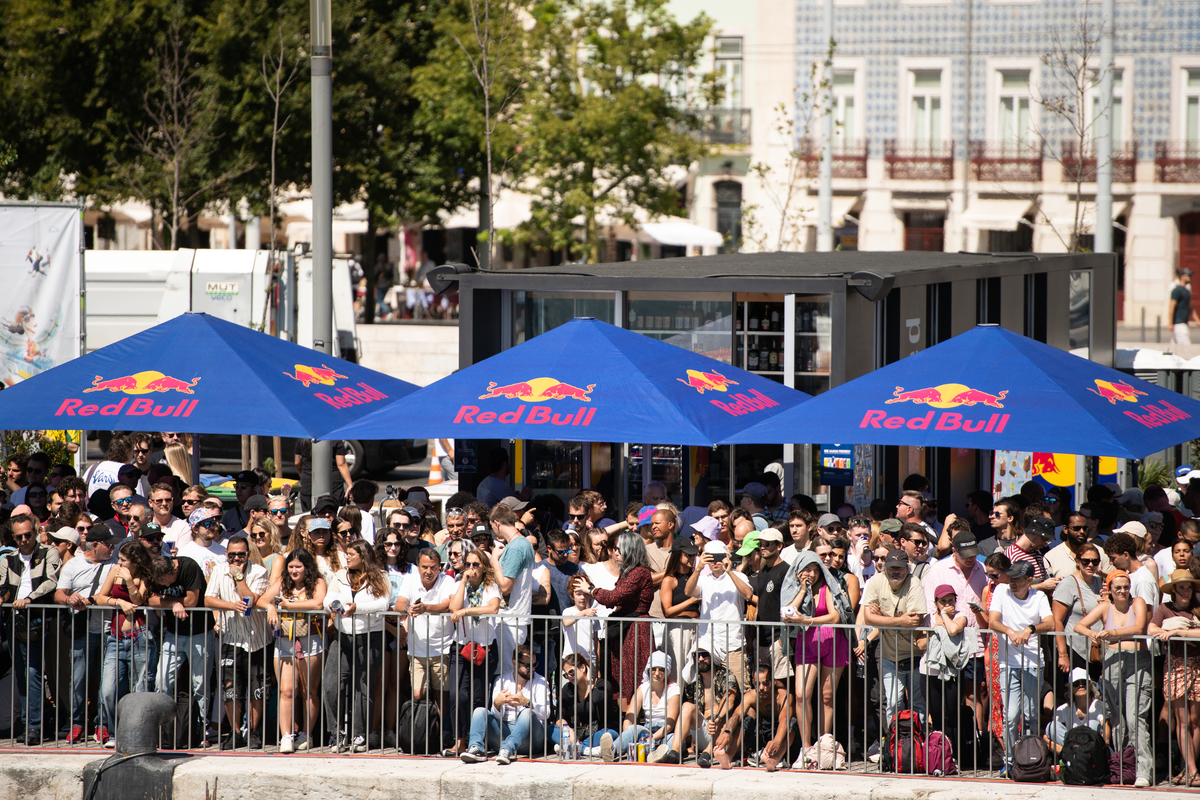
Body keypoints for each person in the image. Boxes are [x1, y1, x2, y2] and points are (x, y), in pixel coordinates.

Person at [1073, 569, 1151, 786]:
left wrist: (1112, 633)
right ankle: (1122, 766)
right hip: (1112, 661)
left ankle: (1143, 769)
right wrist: (1093, 634)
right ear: (1109, 589)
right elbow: (1078, 625)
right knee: (1116, 718)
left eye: (1126, 587)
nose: (1123, 591)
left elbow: (1138, 626)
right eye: (1118, 588)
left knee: (1135, 717)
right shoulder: (1105, 606)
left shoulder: (1138, 603)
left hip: (1136, 660)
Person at [204, 534, 271, 749]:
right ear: (226, 554)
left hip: (256, 639)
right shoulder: (218, 571)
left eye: (240, 555)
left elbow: (250, 600)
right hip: (230, 638)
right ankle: (234, 732)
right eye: (231, 555)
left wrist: (239, 578)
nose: (236, 559)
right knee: (230, 689)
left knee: (256, 690)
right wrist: (230, 606)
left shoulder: (259, 572)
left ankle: (252, 731)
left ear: (248, 554)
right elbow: (208, 599)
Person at [0, 513, 62, 744]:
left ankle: (34, 726)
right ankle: (28, 724)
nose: (24, 539)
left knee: (33, 673)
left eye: (28, 534)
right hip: (14, 620)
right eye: (19, 537)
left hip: (37, 618)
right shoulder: (8, 559)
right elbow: (3, 584)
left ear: (35, 532)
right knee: (21, 674)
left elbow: (51, 581)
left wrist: (29, 598)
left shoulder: (48, 552)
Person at [323, 539, 390, 752]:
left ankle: (359, 734)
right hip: (343, 636)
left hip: (370, 637)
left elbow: (384, 603)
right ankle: (336, 733)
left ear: (363, 555)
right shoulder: (340, 575)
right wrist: (334, 605)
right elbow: (328, 598)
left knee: (364, 686)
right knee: (331, 684)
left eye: (352, 553)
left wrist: (358, 608)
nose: (348, 557)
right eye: (347, 553)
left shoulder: (380, 575)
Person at [54, 524, 117, 744]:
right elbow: (59, 593)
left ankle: (102, 725)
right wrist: (69, 599)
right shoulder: (73, 564)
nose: (112, 548)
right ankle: (77, 723)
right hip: (82, 630)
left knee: (106, 682)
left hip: (110, 630)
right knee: (78, 680)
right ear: (95, 545)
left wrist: (89, 600)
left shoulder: (116, 564)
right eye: (108, 545)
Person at [987, 561, 1053, 772]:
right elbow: (993, 621)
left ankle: (1033, 759)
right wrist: (1009, 631)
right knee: (1011, 715)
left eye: (1017, 579)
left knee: (1031, 715)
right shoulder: (1001, 591)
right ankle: (1009, 760)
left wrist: (1030, 629)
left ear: (1029, 580)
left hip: (1033, 663)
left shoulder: (1039, 597)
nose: (1012, 583)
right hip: (1008, 663)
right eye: (1011, 578)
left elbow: (1050, 623)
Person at [258, 547, 326, 753]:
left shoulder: (318, 582)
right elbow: (261, 600)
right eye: (291, 567)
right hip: (285, 640)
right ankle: (286, 736)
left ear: (307, 567)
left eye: (299, 567)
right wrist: (271, 607)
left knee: (308, 691)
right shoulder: (281, 582)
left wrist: (287, 606)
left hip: (311, 639)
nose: (294, 571)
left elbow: (318, 603)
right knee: (286, 690)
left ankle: (306, 734)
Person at [785, 549, 851, 750]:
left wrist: (807, 620)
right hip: (807, 643)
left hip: (833, 641)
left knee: (827, 697)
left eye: (814, 570)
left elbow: (835, 616)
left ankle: (823, 746)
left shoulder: (827, 586)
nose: (811, 574)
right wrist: (803, 591)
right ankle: (806, 747)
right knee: (801, 694)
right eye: (806, 570)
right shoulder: (795, 588)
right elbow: (788, 612)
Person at [93, 539, 155, 748]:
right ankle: (114, 732)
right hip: (115, 638)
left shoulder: (145, 575)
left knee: (139, 690)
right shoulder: (114, 572)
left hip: (139, 637)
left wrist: (129, 581)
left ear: (135, 561)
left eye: (123, 560)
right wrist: (119, 601)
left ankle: (136, 734)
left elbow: (140, 601)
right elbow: (100, 597)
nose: (119, 563)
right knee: (109, 689)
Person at [148, 551, 214, 749]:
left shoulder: (188, 566)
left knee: (200, 684)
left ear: (174, 569)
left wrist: (168, 600)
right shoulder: (158, 570)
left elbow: (193, 600)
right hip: (173, 634)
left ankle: (202, 730)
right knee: (161, 681)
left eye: (168, 582)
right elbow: (150, 600)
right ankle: (163, 730)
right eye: (163, 584)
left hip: (200, 633)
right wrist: (175, 602)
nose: (166, 587)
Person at [861, 549, 927, 735]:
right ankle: (895, 746)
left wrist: (882, 617)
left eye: (899, 567)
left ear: (907, 568)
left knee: (917, 703)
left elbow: (914, 621)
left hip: (915, 654)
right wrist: (899, 621)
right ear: (885, 569)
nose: (895, 571)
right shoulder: (875, 581)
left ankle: (919, 743)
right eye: (891, 568)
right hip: (889, 656)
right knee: (892, 702)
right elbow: (868, 619)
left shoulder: (914, 582)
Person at [585, 532, 655, 706]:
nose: (615, 552)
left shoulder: (640, 572)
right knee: (622, 679)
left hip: (636, 630)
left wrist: (591, 590)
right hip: (625, 629)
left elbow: (614, 597)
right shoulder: (629, 573)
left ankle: (633, 723)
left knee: (634, 677)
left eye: (620, 549)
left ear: (631, 550)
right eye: (615, 548)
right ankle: (623, 723)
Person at [460, 643, 551, 764]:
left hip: (531, 738)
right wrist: (497, 704)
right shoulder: (501, 680)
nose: (532, 669)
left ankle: (507, 748)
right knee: (479, 711)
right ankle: (476, 748)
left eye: (535, 665)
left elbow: (547, 713)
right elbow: (496, 717)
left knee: (526, 712)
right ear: (514, 663)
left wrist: (527, 703)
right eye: (528, 666)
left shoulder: (541, 682)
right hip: (504, 732)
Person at [1149, 570, 1200, 786]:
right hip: (1176, 664)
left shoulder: (1198, 608)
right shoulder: (1165, 609)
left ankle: (1189, 770)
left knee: (1195, 720)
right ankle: (1192, 770)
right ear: (1173, 590)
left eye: (1188, 586)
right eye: (1181, 587)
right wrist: (1165, 629)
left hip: (1197, 664)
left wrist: (1179, 632)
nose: (1186, 591)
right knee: (1182, 720)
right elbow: (1151, 628)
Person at [687, 540, 752, 693]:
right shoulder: (703, 579)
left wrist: (729, 571)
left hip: (732, 644)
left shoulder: (738, 576)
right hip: (708, 644)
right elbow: (689, 592)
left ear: (726, 557)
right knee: (710, 690)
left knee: (742, 689)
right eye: (711, 557)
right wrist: (699, 568)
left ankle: (746, 718)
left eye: (719, 557)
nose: (715, 561)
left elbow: (748, 594)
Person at [396, 549, 456, 714]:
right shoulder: (410, 580)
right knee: (418, 693)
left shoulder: (448, 581)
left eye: (433, 567)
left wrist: (425, 608)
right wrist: (407, 609)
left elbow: (446, 605)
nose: (429, 571)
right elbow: (399, 603)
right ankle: (423, 732)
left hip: (442, 647)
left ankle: (440, 734)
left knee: (441, 696)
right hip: (417, 648)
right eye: (424, 567)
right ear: (417, 567)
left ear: (439, 568)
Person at [714, 664, 800, 771]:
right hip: (762, 735)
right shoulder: (751, 695)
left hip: (781, 738)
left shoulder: (784, 696)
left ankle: (774, 759)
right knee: (746, 720)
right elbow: (737, 714)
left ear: (773, 682)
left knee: (792, 723)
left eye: (766, 683)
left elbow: (784, 719)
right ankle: (728, 756)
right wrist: (727, 732)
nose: (761, 688)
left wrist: (777, 741)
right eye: (757, 684)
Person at [488, 504, 536, 666]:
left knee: (506, 672)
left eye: (492, 526)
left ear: (497, 523)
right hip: (514, 619)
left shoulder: (516, 547)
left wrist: (494, 560)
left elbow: (505, 586)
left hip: (510, 620)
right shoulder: (521, 544)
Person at [554, 653, 621, 759]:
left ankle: (575, 748)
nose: (569, 677)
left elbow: (596, 699)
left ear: (583, 667)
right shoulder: (568, 689)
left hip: (602, 730)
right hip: (579, 733)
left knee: (607, 736)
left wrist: (590, 682)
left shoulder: (603, 685)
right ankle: (584, 748)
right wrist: (568, 731)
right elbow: (559, 716)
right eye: (566, 675)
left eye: (571, 672)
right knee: (551, 729)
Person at [1052, 543, 1104, 676]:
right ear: (1078, 562)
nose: (1090, 565)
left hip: (1096, 651)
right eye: (1086, 561)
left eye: (1095, 561)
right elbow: (1057, 621)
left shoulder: (1099, 582)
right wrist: (1063, 654)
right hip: (1075, 650)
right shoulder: (1068, 584)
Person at [617, 651, 680, 762]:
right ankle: (612, 750)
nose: (657, 673)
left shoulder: (674, 689)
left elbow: (670, 725)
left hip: (666, 732)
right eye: (653, 668)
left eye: (661, 669)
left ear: (667, 671)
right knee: (632, 729)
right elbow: (629, 718)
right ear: (648, 670)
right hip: (646, 730)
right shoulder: (642, 689)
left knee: (674, 741)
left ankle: (655, 755)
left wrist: (650, 740)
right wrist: (630, 737)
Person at [1044, 668, 1107, 755]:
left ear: (1090, 685)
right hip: (1071, 749)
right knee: (1052, 726)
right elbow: (1046, 735)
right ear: (1070, 688)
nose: (1081, 686)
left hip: (1093, 752)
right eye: (1076, 683)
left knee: (1092, 724)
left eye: (1084, 682)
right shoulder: (1063, 709)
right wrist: (1063, 750)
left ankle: (1081, 756)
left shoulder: (1099, 706)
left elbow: (1105, 733)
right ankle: (1074, 756)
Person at [294, 439, 352, 510]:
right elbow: (341, 464)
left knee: (309, 515)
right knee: (334, 513)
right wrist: (350, 484)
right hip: (333, 484)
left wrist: (302, 475)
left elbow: (297, 462)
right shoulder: (335, 440)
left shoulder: (303, 440)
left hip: (308, 482)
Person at [176, 507, 227, 580]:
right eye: (207, 524)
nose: (212, 527)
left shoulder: (223, 551)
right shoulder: (185, 554)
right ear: (195, 529)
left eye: (213, 523)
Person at [1172, 268, 1200, 345]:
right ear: (1182, 277)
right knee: (1186, 346)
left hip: (1183, 323)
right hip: (1179, 324)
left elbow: (1190, 308)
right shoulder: (1177, 290)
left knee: (1174, 349)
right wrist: (1170, 323)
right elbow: (1172, 306)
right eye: (1189, 276)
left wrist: (1197, 321)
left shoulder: (1186, 291)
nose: (1191, 278)